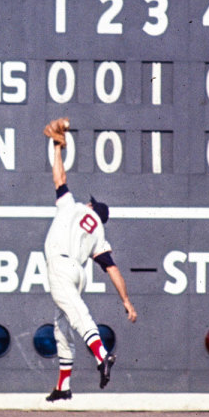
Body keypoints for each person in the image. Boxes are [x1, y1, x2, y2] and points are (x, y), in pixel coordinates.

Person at [41, 118, 137, 402]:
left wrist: (57, 148)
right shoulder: (100, 234)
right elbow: (113, 270)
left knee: (77, 315)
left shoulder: (71, 205)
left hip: (60, 266)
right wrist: (126, 301)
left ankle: (102, 355)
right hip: (78, 274)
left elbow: (59, 178)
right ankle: (63, 386)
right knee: (62, 325)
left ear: (92, 206)